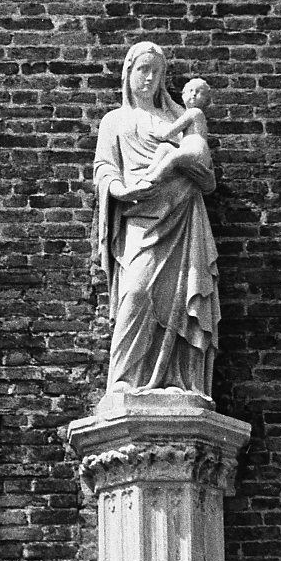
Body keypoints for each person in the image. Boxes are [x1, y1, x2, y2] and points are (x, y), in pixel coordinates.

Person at [93, 42, 220, 397]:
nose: (148, 78)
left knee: (182, 296)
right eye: (141, 70)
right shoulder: (115, 121)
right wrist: (118, 190)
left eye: (155, 71)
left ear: (164, 78)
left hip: (182, 214)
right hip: (140, 215)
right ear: (128, 73)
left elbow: (207, 178)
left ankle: (182, 381)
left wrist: (184, 164)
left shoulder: (179, 119)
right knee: (135, 291)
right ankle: (123, 381)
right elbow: (104, 168)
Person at [130, 78, 212, 193]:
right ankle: (151, 170)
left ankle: (154, 178)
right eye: (191, 90)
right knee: (165, 148)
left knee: (173, 157)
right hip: (190, 151)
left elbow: (171, 131)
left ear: (206, 100)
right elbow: (176, 108)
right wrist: (166, 97)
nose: (194, 94)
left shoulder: (195, 112)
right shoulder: (188, 113)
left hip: (197, 151)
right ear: (183, 96)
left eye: (200, 93)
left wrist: (161, 134)